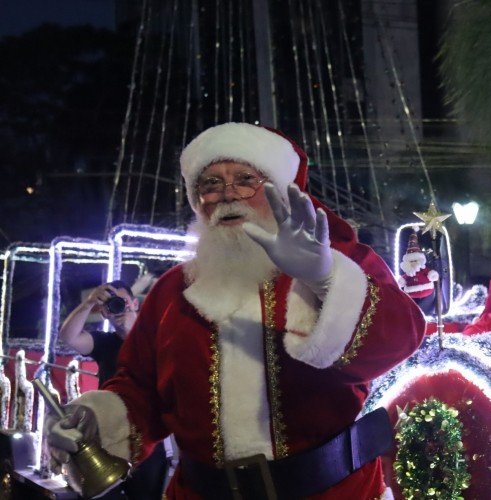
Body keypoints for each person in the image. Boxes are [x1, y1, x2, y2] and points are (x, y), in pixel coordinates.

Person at [47, 123, 426, 499]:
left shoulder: (338, 263)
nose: (228, 195)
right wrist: (95, 419)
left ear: (281, 191)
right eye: (210, 183)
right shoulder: (172, 292)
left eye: (246, 179)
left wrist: (325, 278)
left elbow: (402, 335)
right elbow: (140, 388)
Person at [58, 281, 169, 499]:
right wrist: (89, 303)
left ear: (134, 304)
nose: (118, 308)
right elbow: (68, 336)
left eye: (122, 301)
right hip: (109, 438)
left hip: (148, 437)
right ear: (105, 313)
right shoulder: (104, 342)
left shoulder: (156, 340)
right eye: (111, 305)